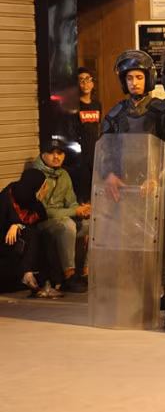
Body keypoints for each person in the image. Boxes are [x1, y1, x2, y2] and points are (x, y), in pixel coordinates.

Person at [102, 49, 165, 331]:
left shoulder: (164, 111)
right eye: (129, 78)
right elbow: (105, 151)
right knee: (133, 254)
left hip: (161, 192)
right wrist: (109, 174)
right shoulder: (115, 114)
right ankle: (137, 306)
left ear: (148, 79)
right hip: (127, 194)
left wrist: (158, 175)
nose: (134, 82)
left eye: (139, 77)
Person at [33, 137, 90, 293]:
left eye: (60, 153)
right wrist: (74, 212)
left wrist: (82, 211)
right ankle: (68, 277)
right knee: (67, 225)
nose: (56, 157)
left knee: (92, 224)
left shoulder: (63, 174)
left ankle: (86, 272)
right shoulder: (35, 174)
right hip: (42, 222)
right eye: (51, 153)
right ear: (42, 154)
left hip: (62, 218)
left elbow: (71, 202)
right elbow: (41, 211)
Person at [0, 168, 62, 298]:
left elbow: (39, 217)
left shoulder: (33, 201)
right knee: (31, 232)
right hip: (6, 247)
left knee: (43, 235)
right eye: (43, 186)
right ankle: (31, 276)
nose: (45, 189)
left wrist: (18, 225)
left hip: (25, 246)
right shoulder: (6, 197)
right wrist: (16, 225)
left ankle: (48, 282)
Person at [75, 67, 101, 204]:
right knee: (83, 186)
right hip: (80, 153)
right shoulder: (75, 106)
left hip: (94, 150)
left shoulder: (97, 104)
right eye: (81, 80)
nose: (85, 83)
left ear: (93, 83)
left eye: (88, 79)